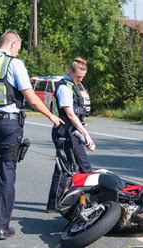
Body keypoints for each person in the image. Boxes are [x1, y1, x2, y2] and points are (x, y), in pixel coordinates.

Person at [0, 30, 63, 240]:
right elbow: (31, 99)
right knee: (6, 173)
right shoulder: (15, 64)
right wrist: (51, 115)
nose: (18, 52)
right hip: (9, 126)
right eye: (19, 48)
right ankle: (2, 227)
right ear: (13, 44)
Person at [46, 57, 95, 212]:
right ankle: (81, 203)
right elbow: (70, 114)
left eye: (83, 77)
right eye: (79, 76)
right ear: (71, 71)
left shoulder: (74, 85)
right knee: (79, 167)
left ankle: (54, 204)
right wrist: (85, 133)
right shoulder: (65, 88)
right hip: (65, 133)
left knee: (63, 168)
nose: (81, 79)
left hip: (70, 133)